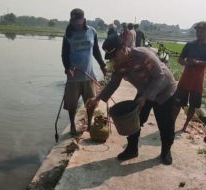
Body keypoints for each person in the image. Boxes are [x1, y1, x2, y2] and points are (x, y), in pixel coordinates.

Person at [86, 34, 177, 165]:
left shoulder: (144, 55)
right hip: (145, 90)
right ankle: (132, 149)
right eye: (111, 59)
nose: (114, 61)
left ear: (123, 48)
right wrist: (98, 98)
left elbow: (160, 77)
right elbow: (113, 84)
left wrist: (145, 97)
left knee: (166, 124)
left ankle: (166, 151)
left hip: (165, 90)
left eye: (114, 56)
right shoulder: (119, 65)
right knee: (134, 119)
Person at [61, 8, 107, 135]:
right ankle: (72, 125)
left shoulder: (92, 31)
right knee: (72, 104)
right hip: (73, 76)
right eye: (73, 20)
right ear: (71, 20)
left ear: (83, 19)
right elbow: (64, 55)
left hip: (89, 75)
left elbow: (96, 51)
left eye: (78, 20)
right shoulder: (68, 35)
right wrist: (67, 68)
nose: (76, 23)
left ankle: (89, 124)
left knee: (91, 102)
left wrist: (102, 65)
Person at [175, 21, 206, 132]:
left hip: (197, 80)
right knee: (178, 102)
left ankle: (185, 125)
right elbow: (180, 59)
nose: (199, 32)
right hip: (186, 78)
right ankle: (173, 122)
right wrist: (187, 63)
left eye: (202, 30)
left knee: (193, 105)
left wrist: (197, 63)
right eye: (197, 30)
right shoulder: (189, 45)